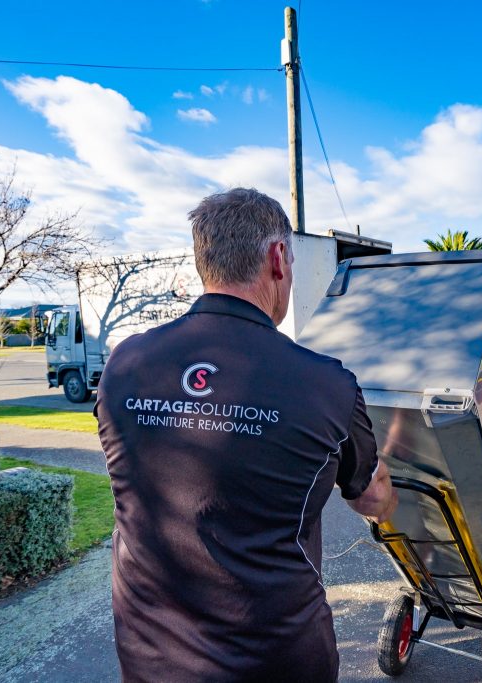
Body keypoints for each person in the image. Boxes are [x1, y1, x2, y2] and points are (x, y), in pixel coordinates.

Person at [94, 188, 397, 683]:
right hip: (275, 660)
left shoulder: (125, 363)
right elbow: (370, 498)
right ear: (279, 258)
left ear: (204, 261)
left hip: (148, 658)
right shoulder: (325, 383)